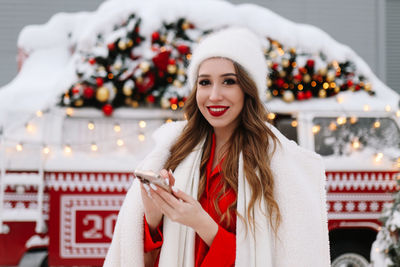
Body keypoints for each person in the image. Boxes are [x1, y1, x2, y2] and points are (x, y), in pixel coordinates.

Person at [104, 27, 330, 267]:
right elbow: (141, 256)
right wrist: (152, 216)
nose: (214, 96)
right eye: (205, 82)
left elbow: (278, 259)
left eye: (228, 82)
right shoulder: (173, 150)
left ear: (248, 89)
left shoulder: (276, 162)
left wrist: (201, 223)